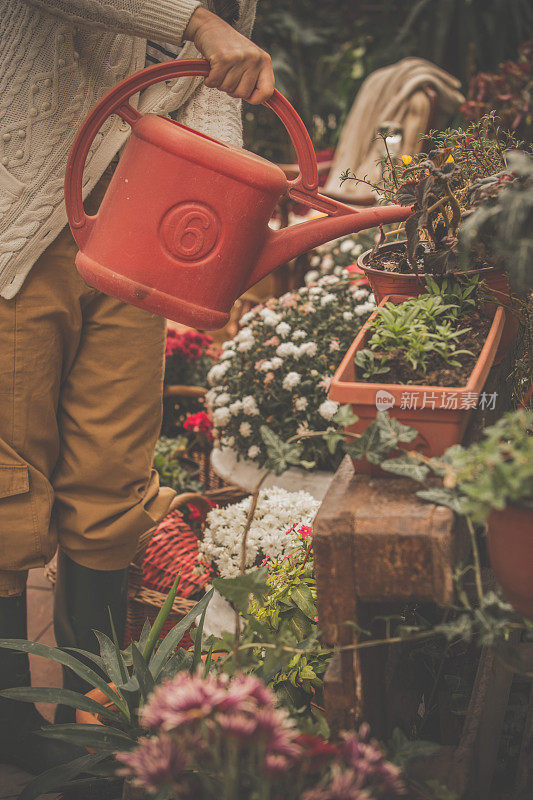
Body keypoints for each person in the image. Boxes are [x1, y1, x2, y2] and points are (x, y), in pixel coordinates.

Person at [0, 0, 274, 771]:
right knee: (6, 484)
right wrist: (195, 21)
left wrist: (220, 193)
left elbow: (213, 82)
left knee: (113, 479)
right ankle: (12, 731)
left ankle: (100, 722)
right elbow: (206, 34)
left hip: (141, 226)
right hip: (15, 222)